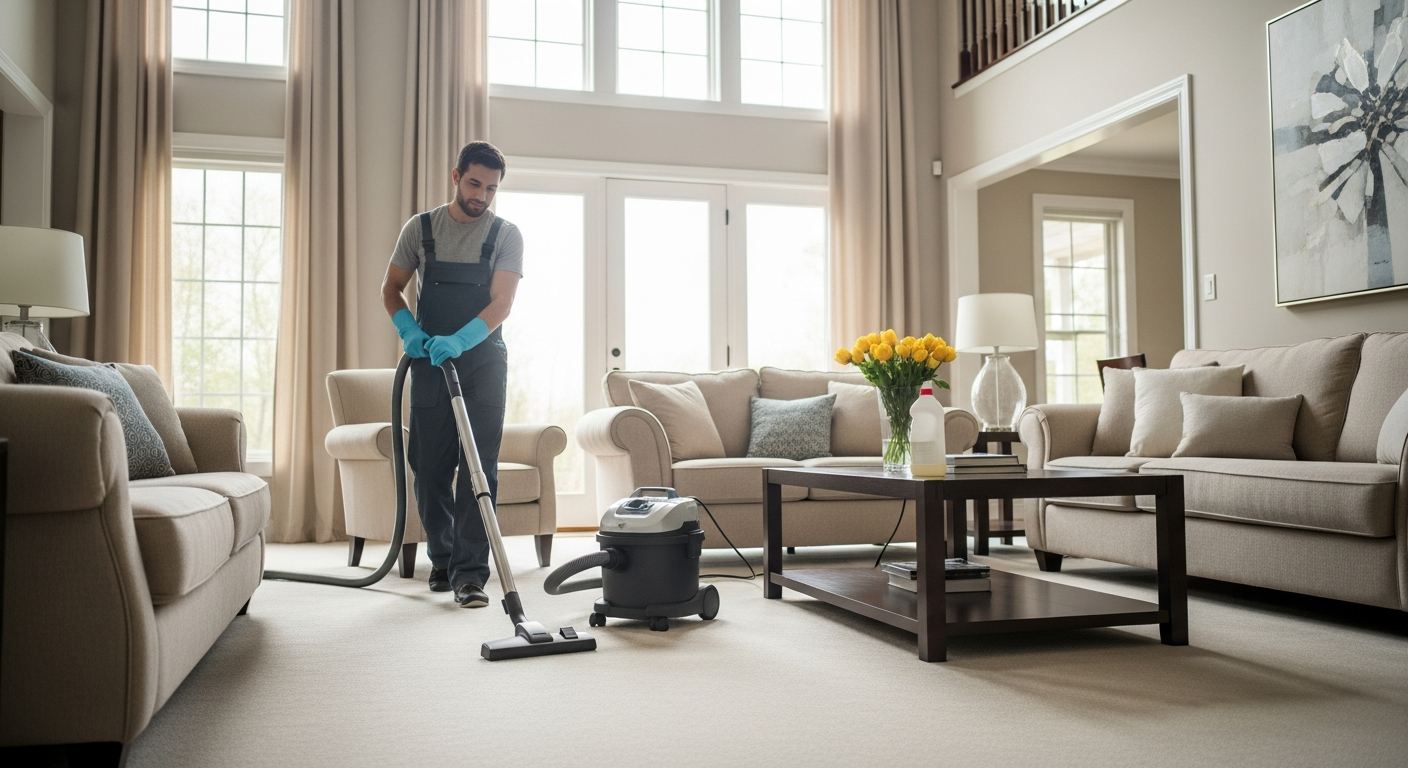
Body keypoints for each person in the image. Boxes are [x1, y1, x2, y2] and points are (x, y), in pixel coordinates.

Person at [380, 141, 523, 608]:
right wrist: (408, 329)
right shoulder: (421, 229)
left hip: (482, 361)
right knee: (430, 465)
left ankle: (471, 575)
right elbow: (392, 289)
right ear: (456, 175)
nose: (482, 196)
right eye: (475, 183)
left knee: (479, 469)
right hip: (428, 360)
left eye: (492, 188)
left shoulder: (505, 234)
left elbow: (501, 303)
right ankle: (441, 560)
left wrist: (460, 341)